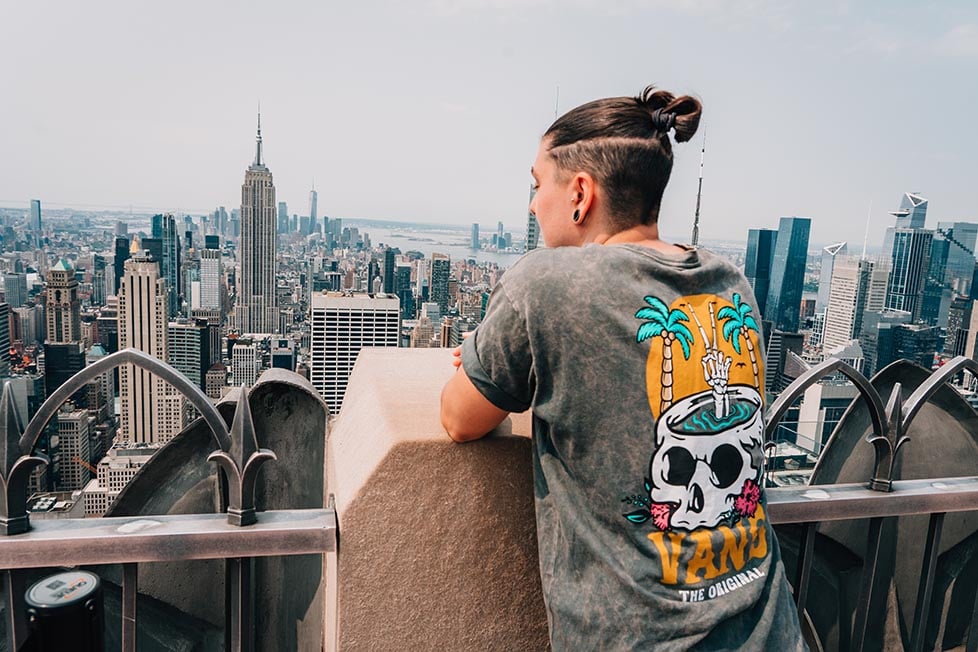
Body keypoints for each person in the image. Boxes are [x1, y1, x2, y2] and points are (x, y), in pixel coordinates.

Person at [440, 85, 806, 650]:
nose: (533, 204)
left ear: (580, 193)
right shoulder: (729, 283)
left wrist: (492, 352)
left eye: (538, 186)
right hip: (770, 629)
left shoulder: (544, 285)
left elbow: (460, 418)